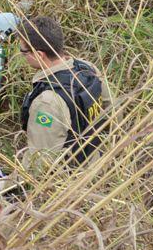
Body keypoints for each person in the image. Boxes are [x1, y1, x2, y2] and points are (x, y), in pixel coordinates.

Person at [17, 16, 112, 170]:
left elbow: (39, 163)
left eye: (24, 52)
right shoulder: (87, 67)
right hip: (98, 158)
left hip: (73, 179)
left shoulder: (47, 102)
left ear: (39, 55)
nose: (22, 56)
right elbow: (112, 111)